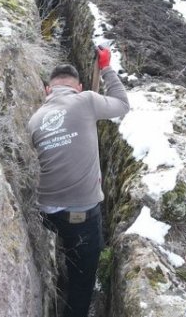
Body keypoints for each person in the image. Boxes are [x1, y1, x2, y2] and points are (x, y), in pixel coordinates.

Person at [27, 49, 130, 317]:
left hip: (46, 213)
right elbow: (122, 104)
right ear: (79, 87)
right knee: (83, 280)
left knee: (69, 238)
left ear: (48, 90)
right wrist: (106, 68)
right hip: (80, 213)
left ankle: (62, 263)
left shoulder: (34, 120)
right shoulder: (87, 100)